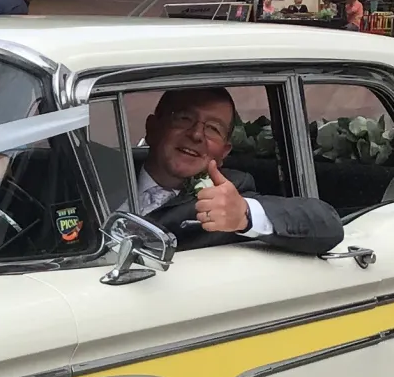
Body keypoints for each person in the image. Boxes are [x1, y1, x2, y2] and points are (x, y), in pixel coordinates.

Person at [124, 88, 343, 255]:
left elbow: (326, 224)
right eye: (184, 119)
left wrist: (244, 214)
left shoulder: (228, 195)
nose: (197, 135)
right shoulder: (101, 176)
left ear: (223, 153)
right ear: (152, 128)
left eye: (213, 128)